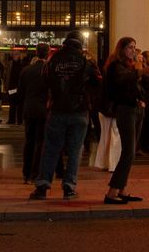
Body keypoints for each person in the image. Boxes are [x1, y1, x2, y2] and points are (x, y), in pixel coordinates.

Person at [30, 30, 101, 201]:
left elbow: (45, 79)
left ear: (65, 42)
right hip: (79, 110)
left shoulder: (54, 59)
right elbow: (97, 81)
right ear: (80, 43)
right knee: (75, 150)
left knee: (51, 149)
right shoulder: (85, 61)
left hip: (57, 109)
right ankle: (69, 187)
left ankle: (43, 185)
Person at [101, 37, 145, 205]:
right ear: (122, 49)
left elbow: (134, 85)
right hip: (124, 110)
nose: (133, 50)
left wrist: (140, 100)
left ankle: (122, 189)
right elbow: (125, 81)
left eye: (134, 47)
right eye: (130, 47)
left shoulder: (129, 66)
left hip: (133, 108)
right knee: (128, 152)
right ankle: (112, 192)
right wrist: (146, 68)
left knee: (130, 151)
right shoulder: (115, 66)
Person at [20, 43, 51, 182]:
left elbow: (20, 92)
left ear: (36, 53)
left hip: (29, 109)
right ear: (48, 53)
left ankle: (26, 172)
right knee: (40, 141)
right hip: (43, 109)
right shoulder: (49, 70)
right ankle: (35, 172)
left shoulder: (26, 70)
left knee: (29, 141)